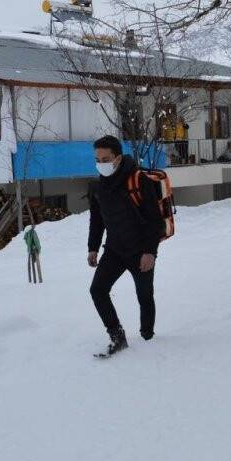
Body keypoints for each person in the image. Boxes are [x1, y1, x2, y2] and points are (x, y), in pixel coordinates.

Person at [87, 135, 164, 357]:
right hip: (114, 250)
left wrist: (150, 252)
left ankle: (148, 337)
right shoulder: (98, 186)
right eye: (97, 159)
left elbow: (154, 221)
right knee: (97, 290)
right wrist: (93, 247)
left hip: (141, 252)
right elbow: (97, 220)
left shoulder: (138, 180)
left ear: (118, 158)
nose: (101, 163)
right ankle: (117, 336)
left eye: (106, 158)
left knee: (144, 295)